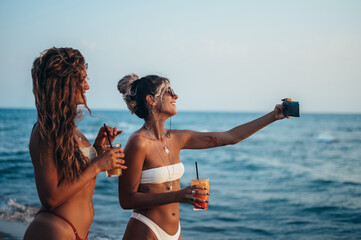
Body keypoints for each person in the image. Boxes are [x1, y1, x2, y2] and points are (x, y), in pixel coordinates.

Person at [117, 73, 289, 240]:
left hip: (174, 232)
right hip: (146, 229)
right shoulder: (138, 143)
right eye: (168, 91)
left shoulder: (176, 138)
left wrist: (273, 116)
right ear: (151, 100)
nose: (175, 95)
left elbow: (230, 137)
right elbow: (126, 200)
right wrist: (177, 196)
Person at [23, 47, 127, 240]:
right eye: (83, 79)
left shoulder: (69, 128)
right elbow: (51, 198)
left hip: (77, 233)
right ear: (65, 83)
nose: (87, 86)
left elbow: (75, 173)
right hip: (54, 231)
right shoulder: (44, 131)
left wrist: (97, 146)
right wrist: (98, 165)